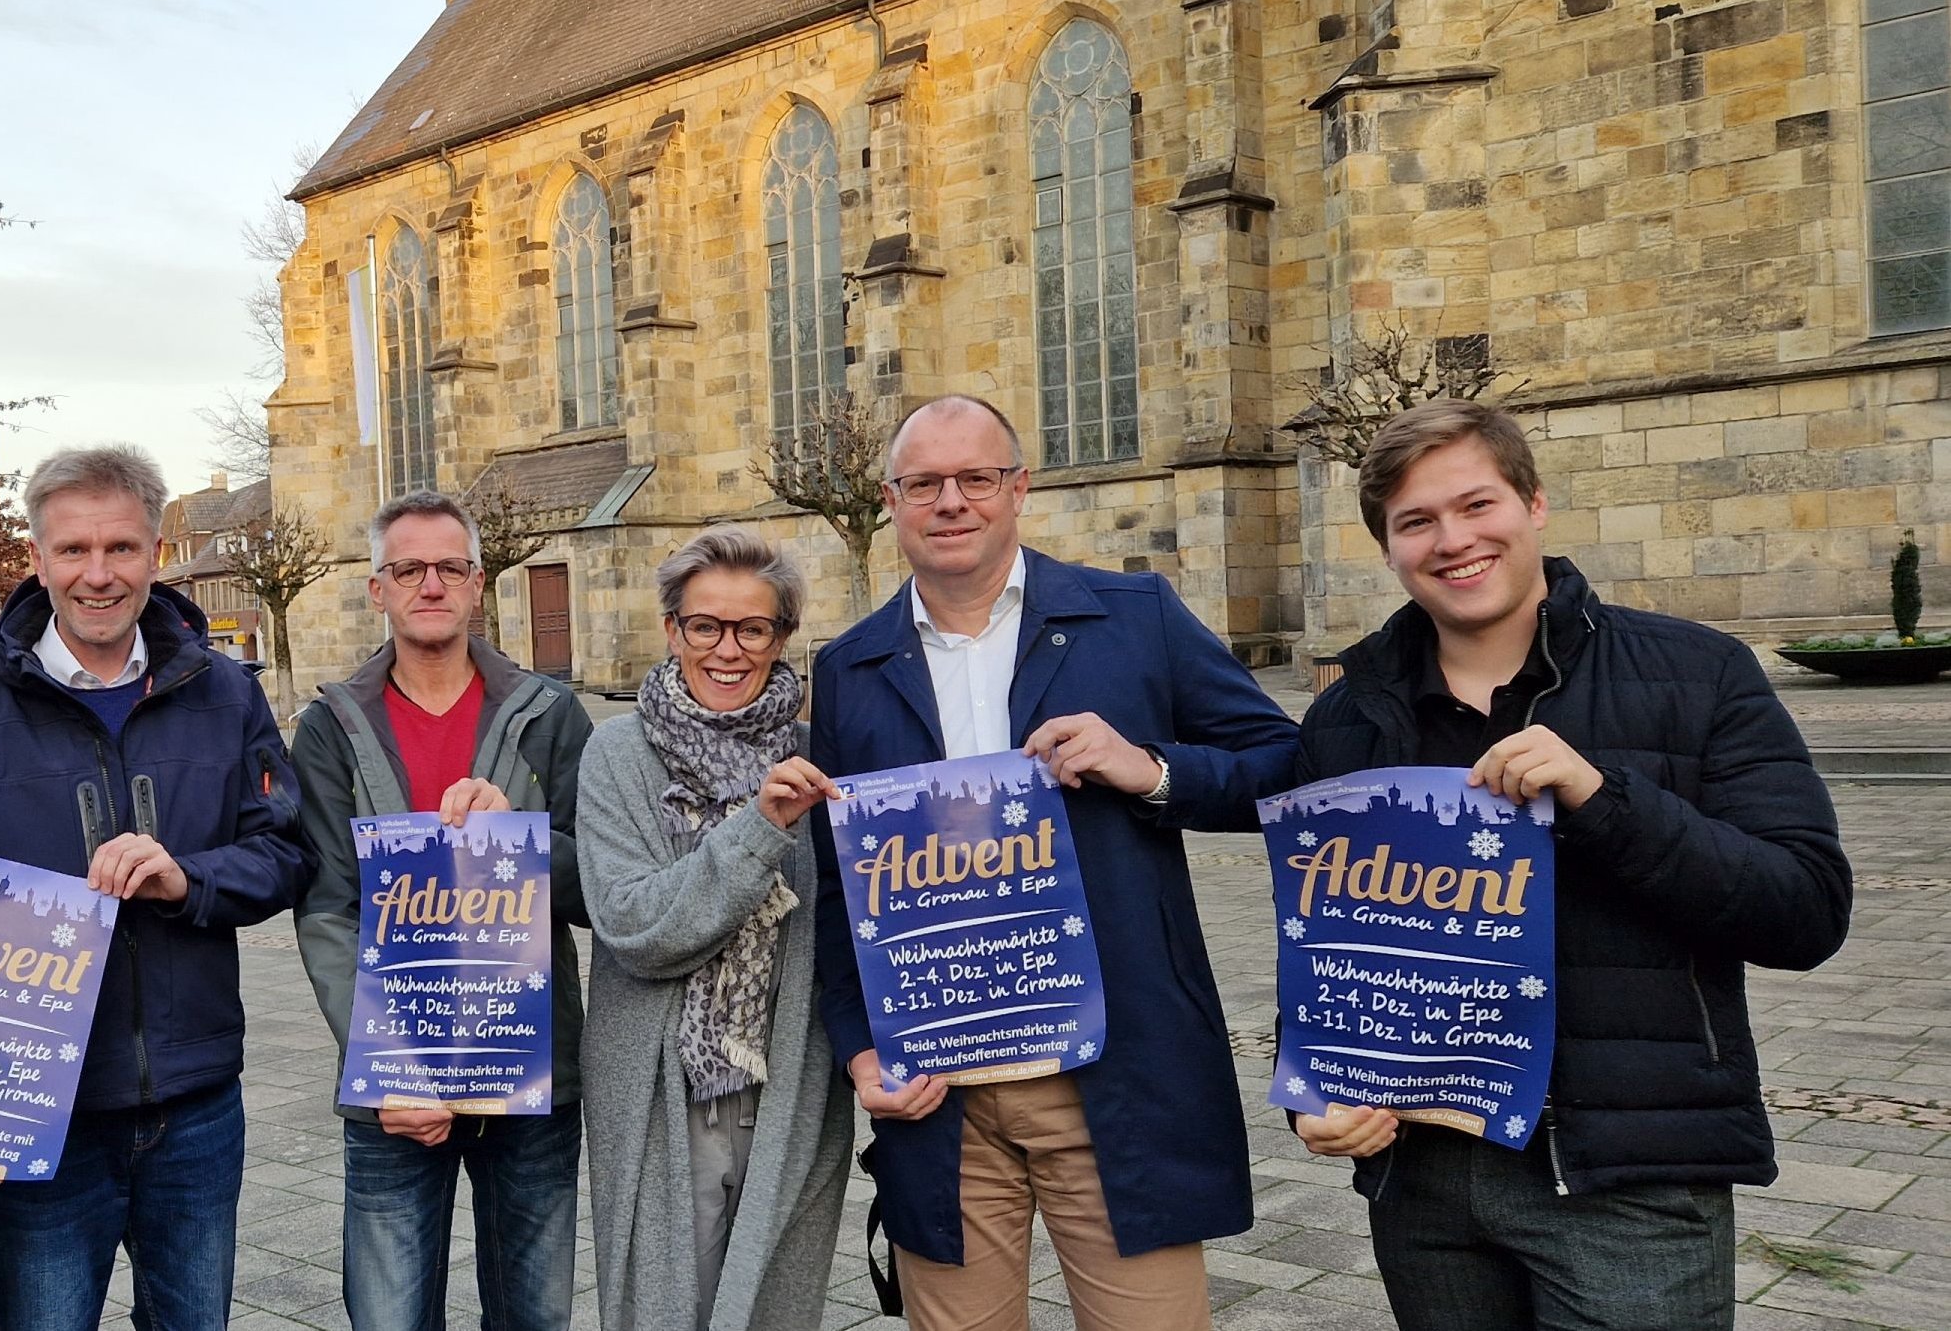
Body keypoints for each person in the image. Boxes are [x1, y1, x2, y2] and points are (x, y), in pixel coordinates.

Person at [1287, 399, 1850, 1331]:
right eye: (1415, 522)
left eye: (1476, 505)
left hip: (1624, 1178)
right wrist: (1317, 1090)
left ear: (1533, 505)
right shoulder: (1347, 717)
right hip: (1424, 1179)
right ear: (1385, 547)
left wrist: (1602, 799)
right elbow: (1324, 943)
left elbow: (1802, 913)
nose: (1452, 540)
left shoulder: (1699, 672)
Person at [808, 395, 1300, 1331]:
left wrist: (1150, 770)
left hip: (1111, 1078)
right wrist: (857, 1045)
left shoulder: (1131, 615)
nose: (951, 501)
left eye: (975, 478)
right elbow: (840, 885)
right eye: (924, 483)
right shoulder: (849, 666)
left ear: (1018, 488)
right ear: (892, 500)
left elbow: (1285, 766)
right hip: (939, 1094)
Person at [0, 443, 311, 1331]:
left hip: (196, 1102)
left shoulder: (223, 693)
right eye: (73, 551)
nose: (97, 575)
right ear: (36, 559)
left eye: (121, 549)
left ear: (155, 554)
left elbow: (286, 851)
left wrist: (189, 878)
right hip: (40, 1113)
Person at [290, 490, 593, 1331]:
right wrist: (389, 1065)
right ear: (376, 588)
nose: (431, 584)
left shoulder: (548, 712)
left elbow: (600, 883)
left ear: (477, 583)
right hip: (397, 1082)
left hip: (526, 1065)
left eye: (449, 567)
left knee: (533, 1315)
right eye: (408, 569)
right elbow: (325, 908)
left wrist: (521, 840)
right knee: (389, 1316)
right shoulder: (329, 726)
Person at [576, 526, 853, 1331]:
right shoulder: (619, 754)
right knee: (671, 1306)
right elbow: (635, 927)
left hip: (792, 1074)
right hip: (666, 1082)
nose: (726, 649)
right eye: (705, 625)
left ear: (781, 638)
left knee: (774, 1301)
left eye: (752, 628)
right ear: (672, 629)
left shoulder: (814, 754)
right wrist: (760, 829)